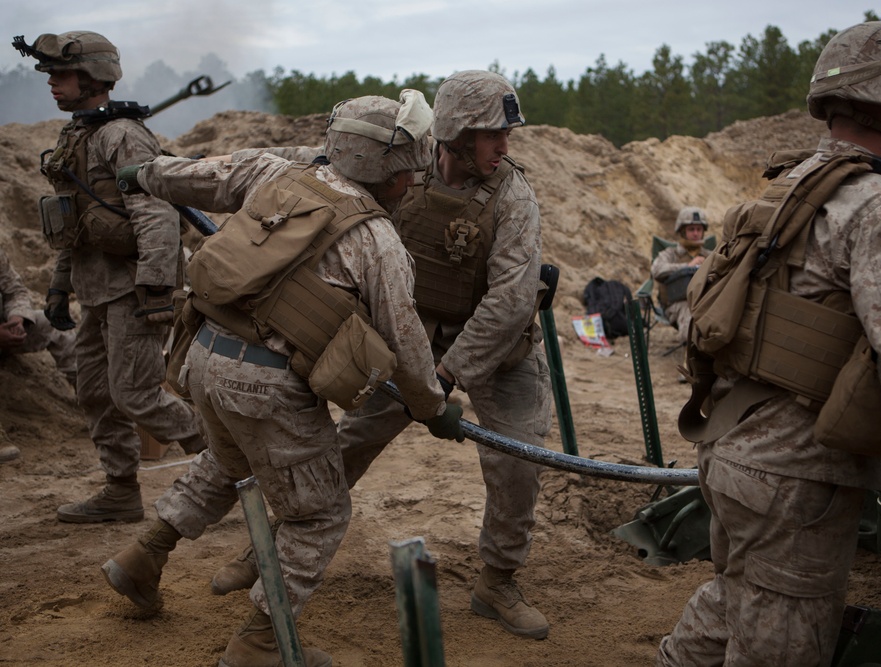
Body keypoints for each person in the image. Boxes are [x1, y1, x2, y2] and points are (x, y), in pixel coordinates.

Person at [659, 22, 881, 667]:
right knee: (780, 641)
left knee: (734, 600)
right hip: (796, 480)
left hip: (730, 450)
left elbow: (799, 326)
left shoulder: (786, 190)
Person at [100, 91, 465, 667]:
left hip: (200, 357)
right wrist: (434, 407)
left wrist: (142, 173)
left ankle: (144, 556)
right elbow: (408, 343)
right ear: (387, 168)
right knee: (320, 514)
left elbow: (201, 176)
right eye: (409, 169)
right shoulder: (377, 241)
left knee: (230, 459)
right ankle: (260, 643)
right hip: (266, 386)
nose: (415, 179)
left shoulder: (276, 174)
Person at [212, 70, 554, 641]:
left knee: (519, 464)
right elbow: (319, 177)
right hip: (411, 340)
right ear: (458, 134)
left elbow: (512, 300)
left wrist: (446, 375)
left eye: (506, 136)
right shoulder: (399, 172)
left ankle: (497, 580)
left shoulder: (514, 196)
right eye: (495, 135)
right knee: (348, 445)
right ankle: (269, 552)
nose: (506, 147)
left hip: (498, 351)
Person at [13, 31, 206, 521]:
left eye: (61, 75)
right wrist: (59, 288)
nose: (52, 85)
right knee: (96, 392)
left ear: (93, 77)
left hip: (134, 288)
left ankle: (225, 465)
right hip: (94, 288)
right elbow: (72, 223)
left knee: (136, 394)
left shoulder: (123, 135)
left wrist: (159, 287)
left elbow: (157, 213)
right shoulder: (78, 135)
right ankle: (121, 491)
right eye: (51, 76)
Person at [0, 246, 77, 463]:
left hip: (5, 329)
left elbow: (15, 290)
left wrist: (17, 318)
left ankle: (94, 405)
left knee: (54, 326)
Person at [652, 206, 711, 343]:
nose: (696, 233)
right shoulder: (671, 254)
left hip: (705, 302)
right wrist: (688, 266)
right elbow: (657, 270)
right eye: (691, 229)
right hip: (677, 304)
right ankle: (692, 351)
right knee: (688, 309)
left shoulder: (709, 256)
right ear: (682, 232)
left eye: (699, 229)